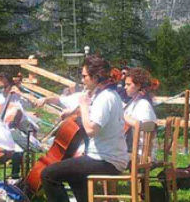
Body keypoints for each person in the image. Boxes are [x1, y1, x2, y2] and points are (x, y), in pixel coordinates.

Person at [40, 55, 128, 202]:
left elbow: (91, 130)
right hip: (108, 158)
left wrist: (84, 106)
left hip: (106, 161)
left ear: (95, 77)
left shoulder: (105, 98)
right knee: (75, 176)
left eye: (84, 76)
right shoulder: (108, 95)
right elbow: (98, 117)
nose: (82, 80)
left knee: (48, 175)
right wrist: (79, 110)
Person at [123, 67, 158, 161]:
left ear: (138, 86)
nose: (125, 87)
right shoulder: (135, 102)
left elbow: (140, 126)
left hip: (141, 153)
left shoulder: (143, 104)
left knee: (108, 157)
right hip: (133, 150)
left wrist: (121, 115)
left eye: (128, 84)